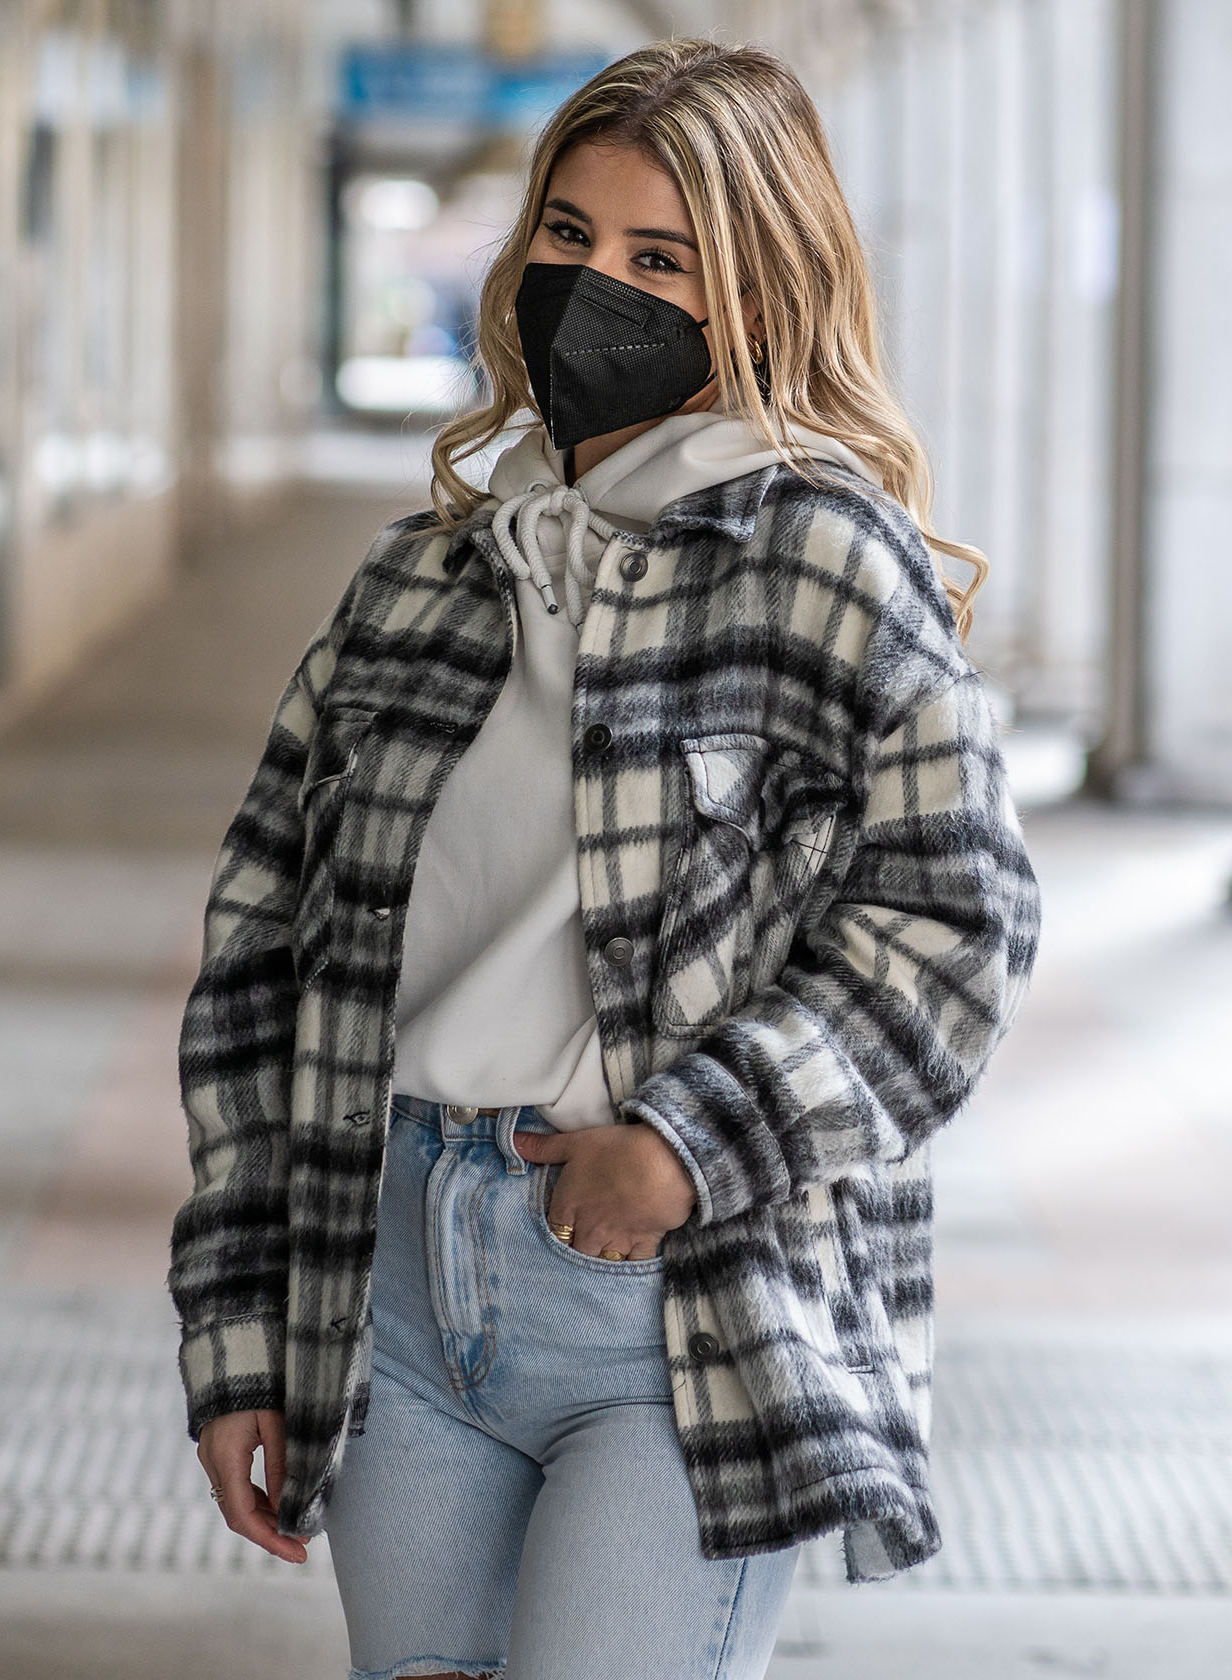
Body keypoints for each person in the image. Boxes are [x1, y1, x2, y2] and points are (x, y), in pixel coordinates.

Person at [170, 37, 1040, 1680]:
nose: (597, 291)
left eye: (660, 260)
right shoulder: (423, 578)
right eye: (567, 238)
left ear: (760, 294)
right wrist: (238, 1335)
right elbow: (254, 961)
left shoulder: (825, 561)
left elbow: (958, 924)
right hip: (394, 1284)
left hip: (678, 1307)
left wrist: (690, 1145)